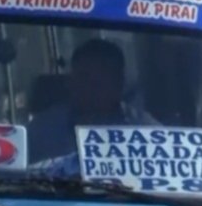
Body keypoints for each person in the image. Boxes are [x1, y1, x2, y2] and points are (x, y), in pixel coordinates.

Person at [27, 38, 158, 162]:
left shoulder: (147, 131)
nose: (90, 88)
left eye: (100, 81)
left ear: (119, 83)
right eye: (84, 78)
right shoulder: (42, 130)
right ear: (70, 82)